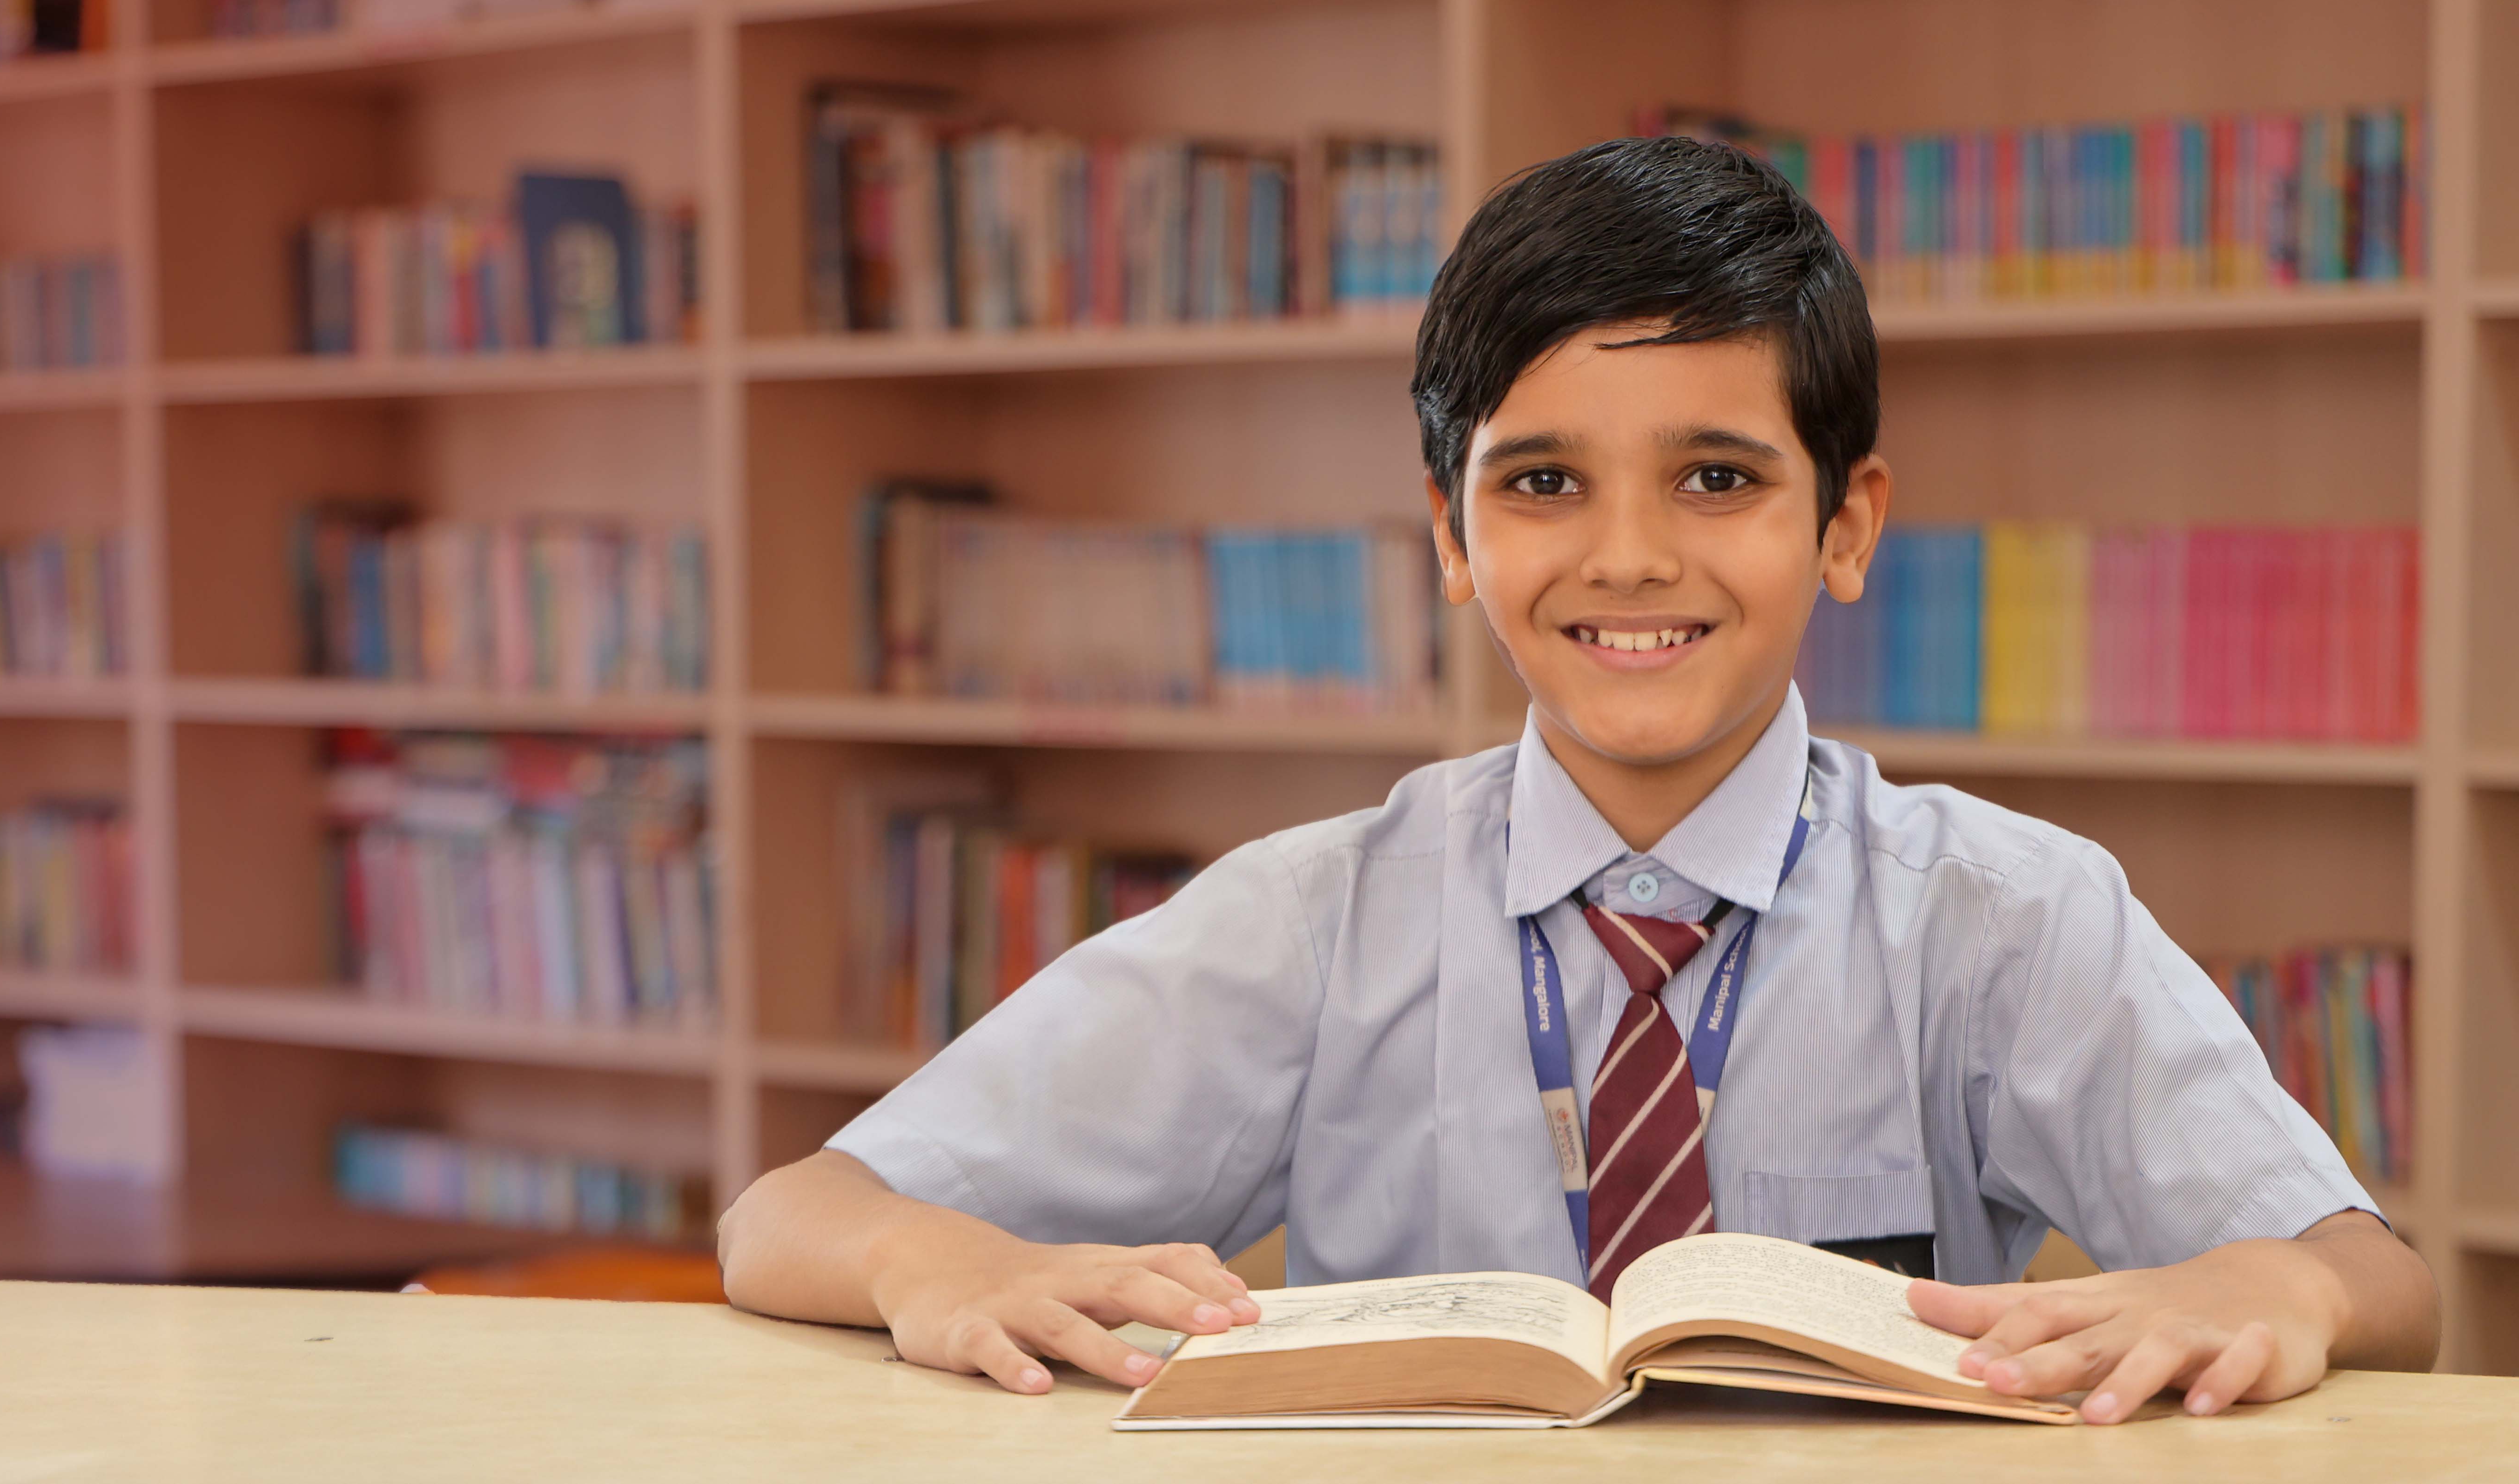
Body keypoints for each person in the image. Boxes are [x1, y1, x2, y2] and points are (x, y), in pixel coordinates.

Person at [719, 135, 2437, 1421]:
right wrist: (921, 1255)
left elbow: (2385, 1285)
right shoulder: (1322, 918)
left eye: (1714, 476)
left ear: (1845, 524)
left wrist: (2274, 1278)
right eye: (1540, 480)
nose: (1628, 557)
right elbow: (789, 1214)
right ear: (1452, 539)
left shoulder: (2000, 918)